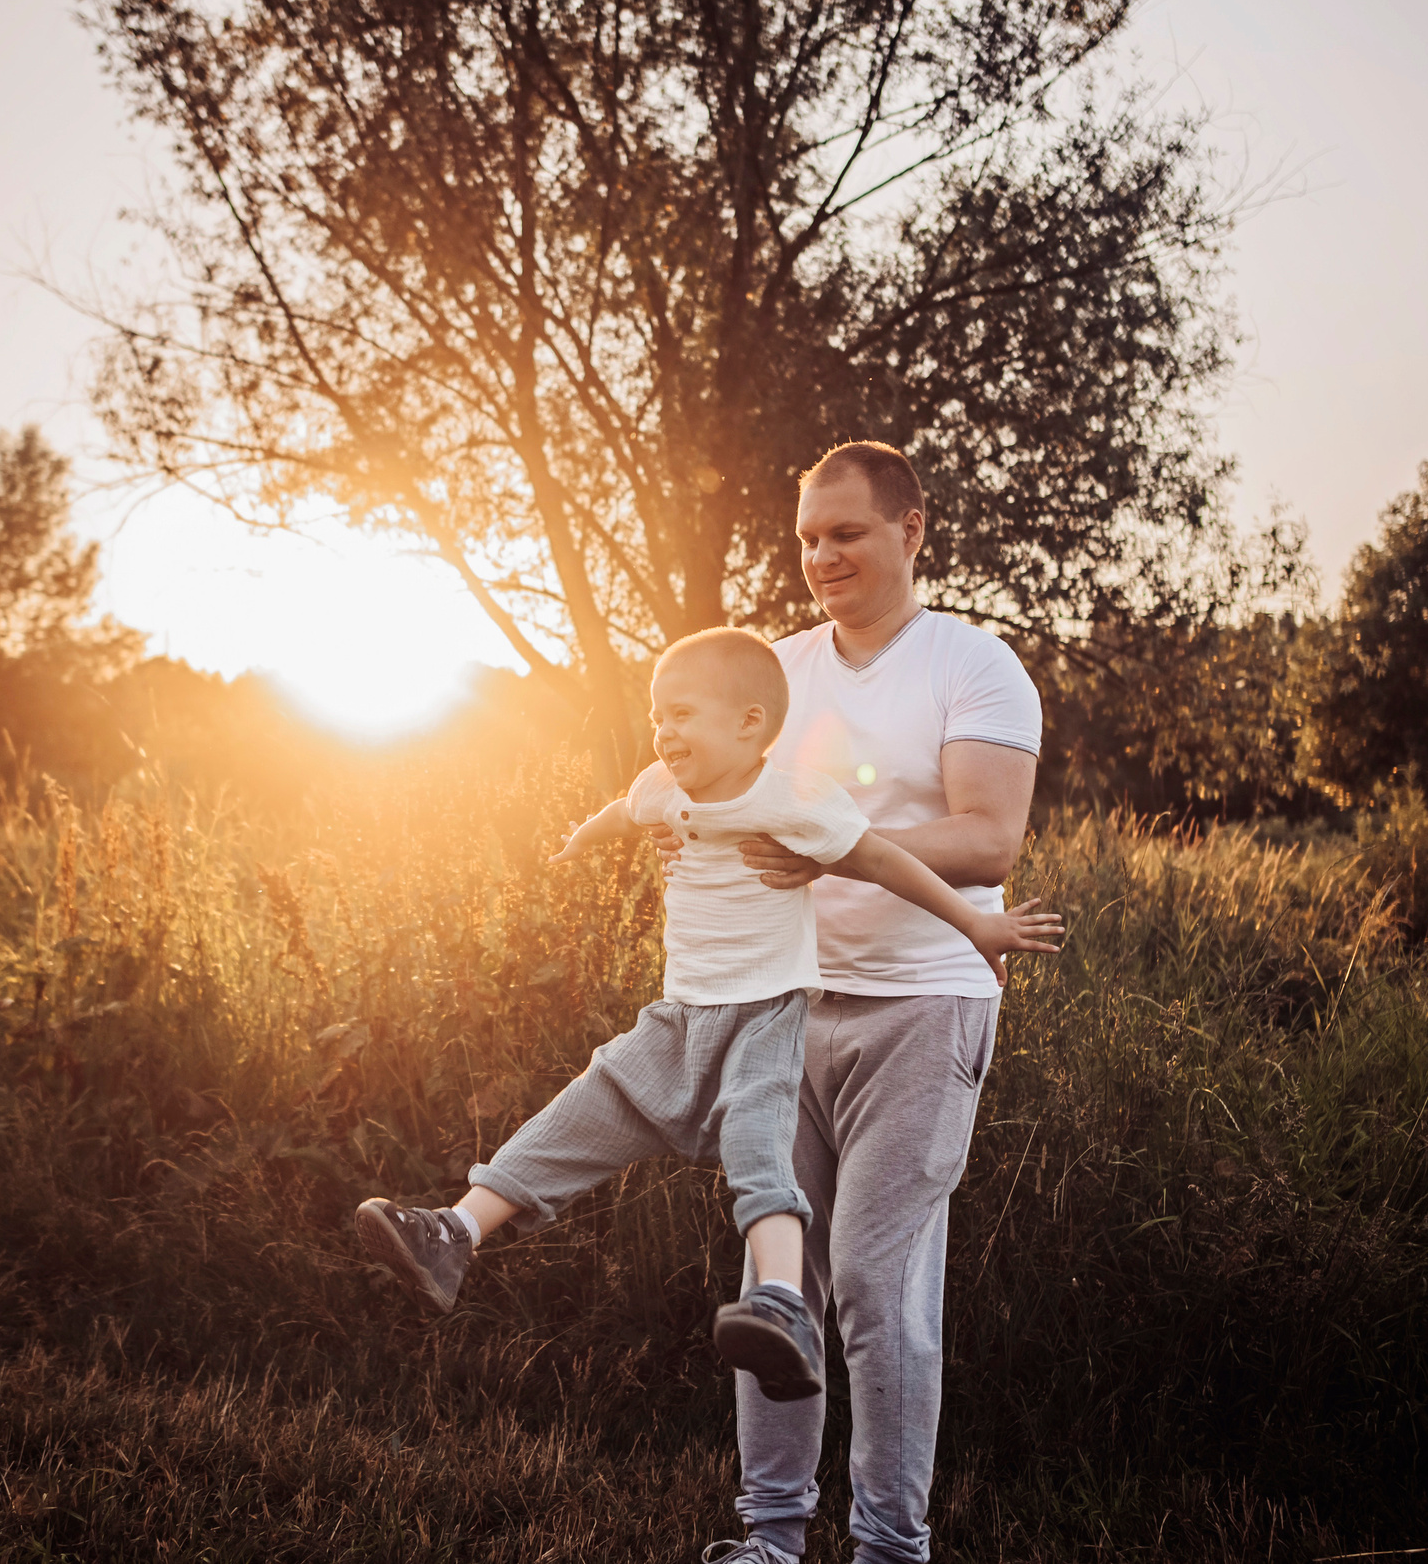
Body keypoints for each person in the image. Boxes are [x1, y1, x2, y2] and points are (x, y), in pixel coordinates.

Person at [353, 624, 1060, 1402]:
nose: (665, 729)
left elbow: (882, 861)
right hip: (678, 1016)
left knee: (762, 1157)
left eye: (682, 714)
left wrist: (977, 924)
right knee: (582, 1107)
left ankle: (785, 1306)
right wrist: (580, 838)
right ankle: (455, 1234)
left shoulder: (793, 799)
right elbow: (626, 809)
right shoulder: (665, 786)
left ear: (748, 724)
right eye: (659, 714)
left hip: (764, 1019)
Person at [707, 441, 1052, 1564]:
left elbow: (988, 835)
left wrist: (829, 850)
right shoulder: (778, 669)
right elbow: (724, 797)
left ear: (910, 530)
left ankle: (890, 1545)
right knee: (780, 1275)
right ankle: (769, 1538)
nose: (821, 556)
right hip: (790, 1004)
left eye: (845, 533)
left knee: (872, 1275)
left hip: (923, 1004)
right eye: (807, 536)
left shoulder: (975, 665)